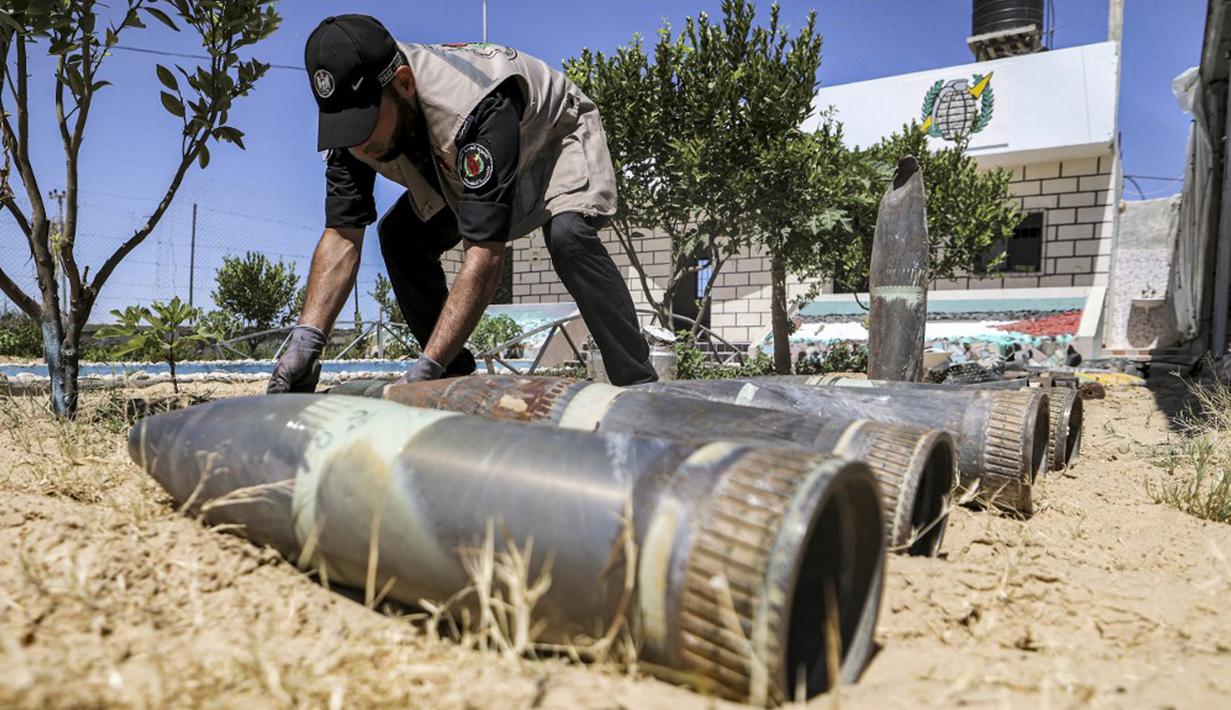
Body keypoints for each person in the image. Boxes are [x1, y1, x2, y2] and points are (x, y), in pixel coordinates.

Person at [267, 14, 657, 393]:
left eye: (365, 125)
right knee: (401, 238)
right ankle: (454, 375)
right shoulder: (353, 131)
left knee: (568, 236)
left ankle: (637, 378)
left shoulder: (474, 104)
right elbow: (342, 235)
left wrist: (425, 368)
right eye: (346, 128)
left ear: (403, 83)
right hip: (454, 161)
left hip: (552, 138)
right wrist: (307, 340)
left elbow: (484, 256)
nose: (357, 144)